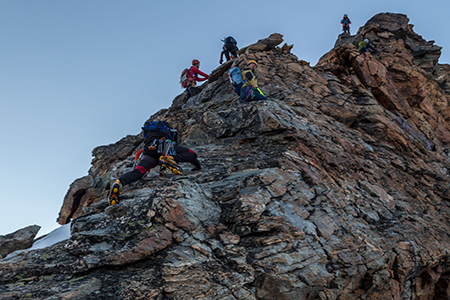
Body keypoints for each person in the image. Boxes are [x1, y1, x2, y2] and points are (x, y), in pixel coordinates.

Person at [108, 120, 201, 205]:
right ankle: (167, 158)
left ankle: (119, 183)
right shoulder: (171, 132)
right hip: (166, 146)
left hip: (149, 150)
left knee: (139, 171)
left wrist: (137, 161)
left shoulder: (149, 134)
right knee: (193, 154)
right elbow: (191, 155)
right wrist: (197, 166)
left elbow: (138, 154)